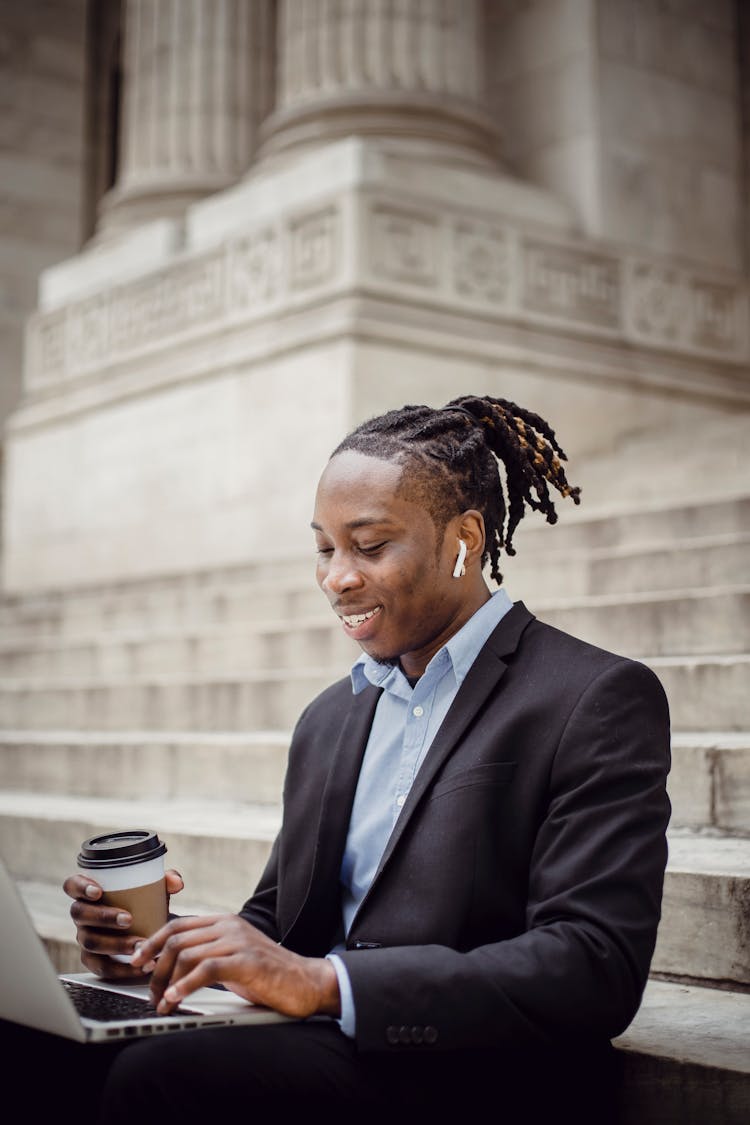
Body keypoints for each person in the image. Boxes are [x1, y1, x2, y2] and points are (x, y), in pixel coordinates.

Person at [61, 394, 670, 1123]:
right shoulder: (329, 717)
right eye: (324, 546)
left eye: (370, 545)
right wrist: (158, 948)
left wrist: (327, 984)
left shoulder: (594, 696)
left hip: (474, 1074)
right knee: (55, 1046)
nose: (336, 577)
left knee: (154, 1077)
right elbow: (278, 922)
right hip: (322, 1050)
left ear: (464, 539)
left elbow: (592, 964)